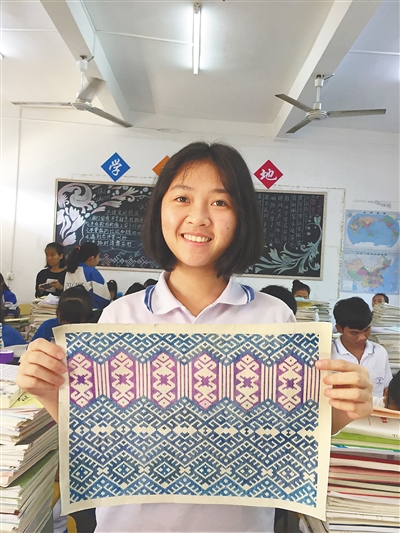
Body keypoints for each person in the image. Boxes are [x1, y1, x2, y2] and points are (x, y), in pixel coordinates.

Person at [17, 142, 372, 533]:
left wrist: (344, 410)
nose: (199, 217)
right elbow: (97, 433)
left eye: (220, 202)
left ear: (241, 216)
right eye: (182, 198)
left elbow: (294, 434)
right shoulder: (120, 317)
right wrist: (47, 389)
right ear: (160, 210)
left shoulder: (275, 319)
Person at [331, 297, 392, 398]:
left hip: (374, 407)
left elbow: (387, 388)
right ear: (339, 328)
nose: (362, 337)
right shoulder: (329, 353)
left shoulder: (380, 352)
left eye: (366, 330)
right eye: (354, 333)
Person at [64, 242, 111, 311]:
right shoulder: (91, 271)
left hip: (68, 310)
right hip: (89, 312)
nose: (98, 260)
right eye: (98, 257)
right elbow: (104, 298)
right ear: (92, 258)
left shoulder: (69, 271)